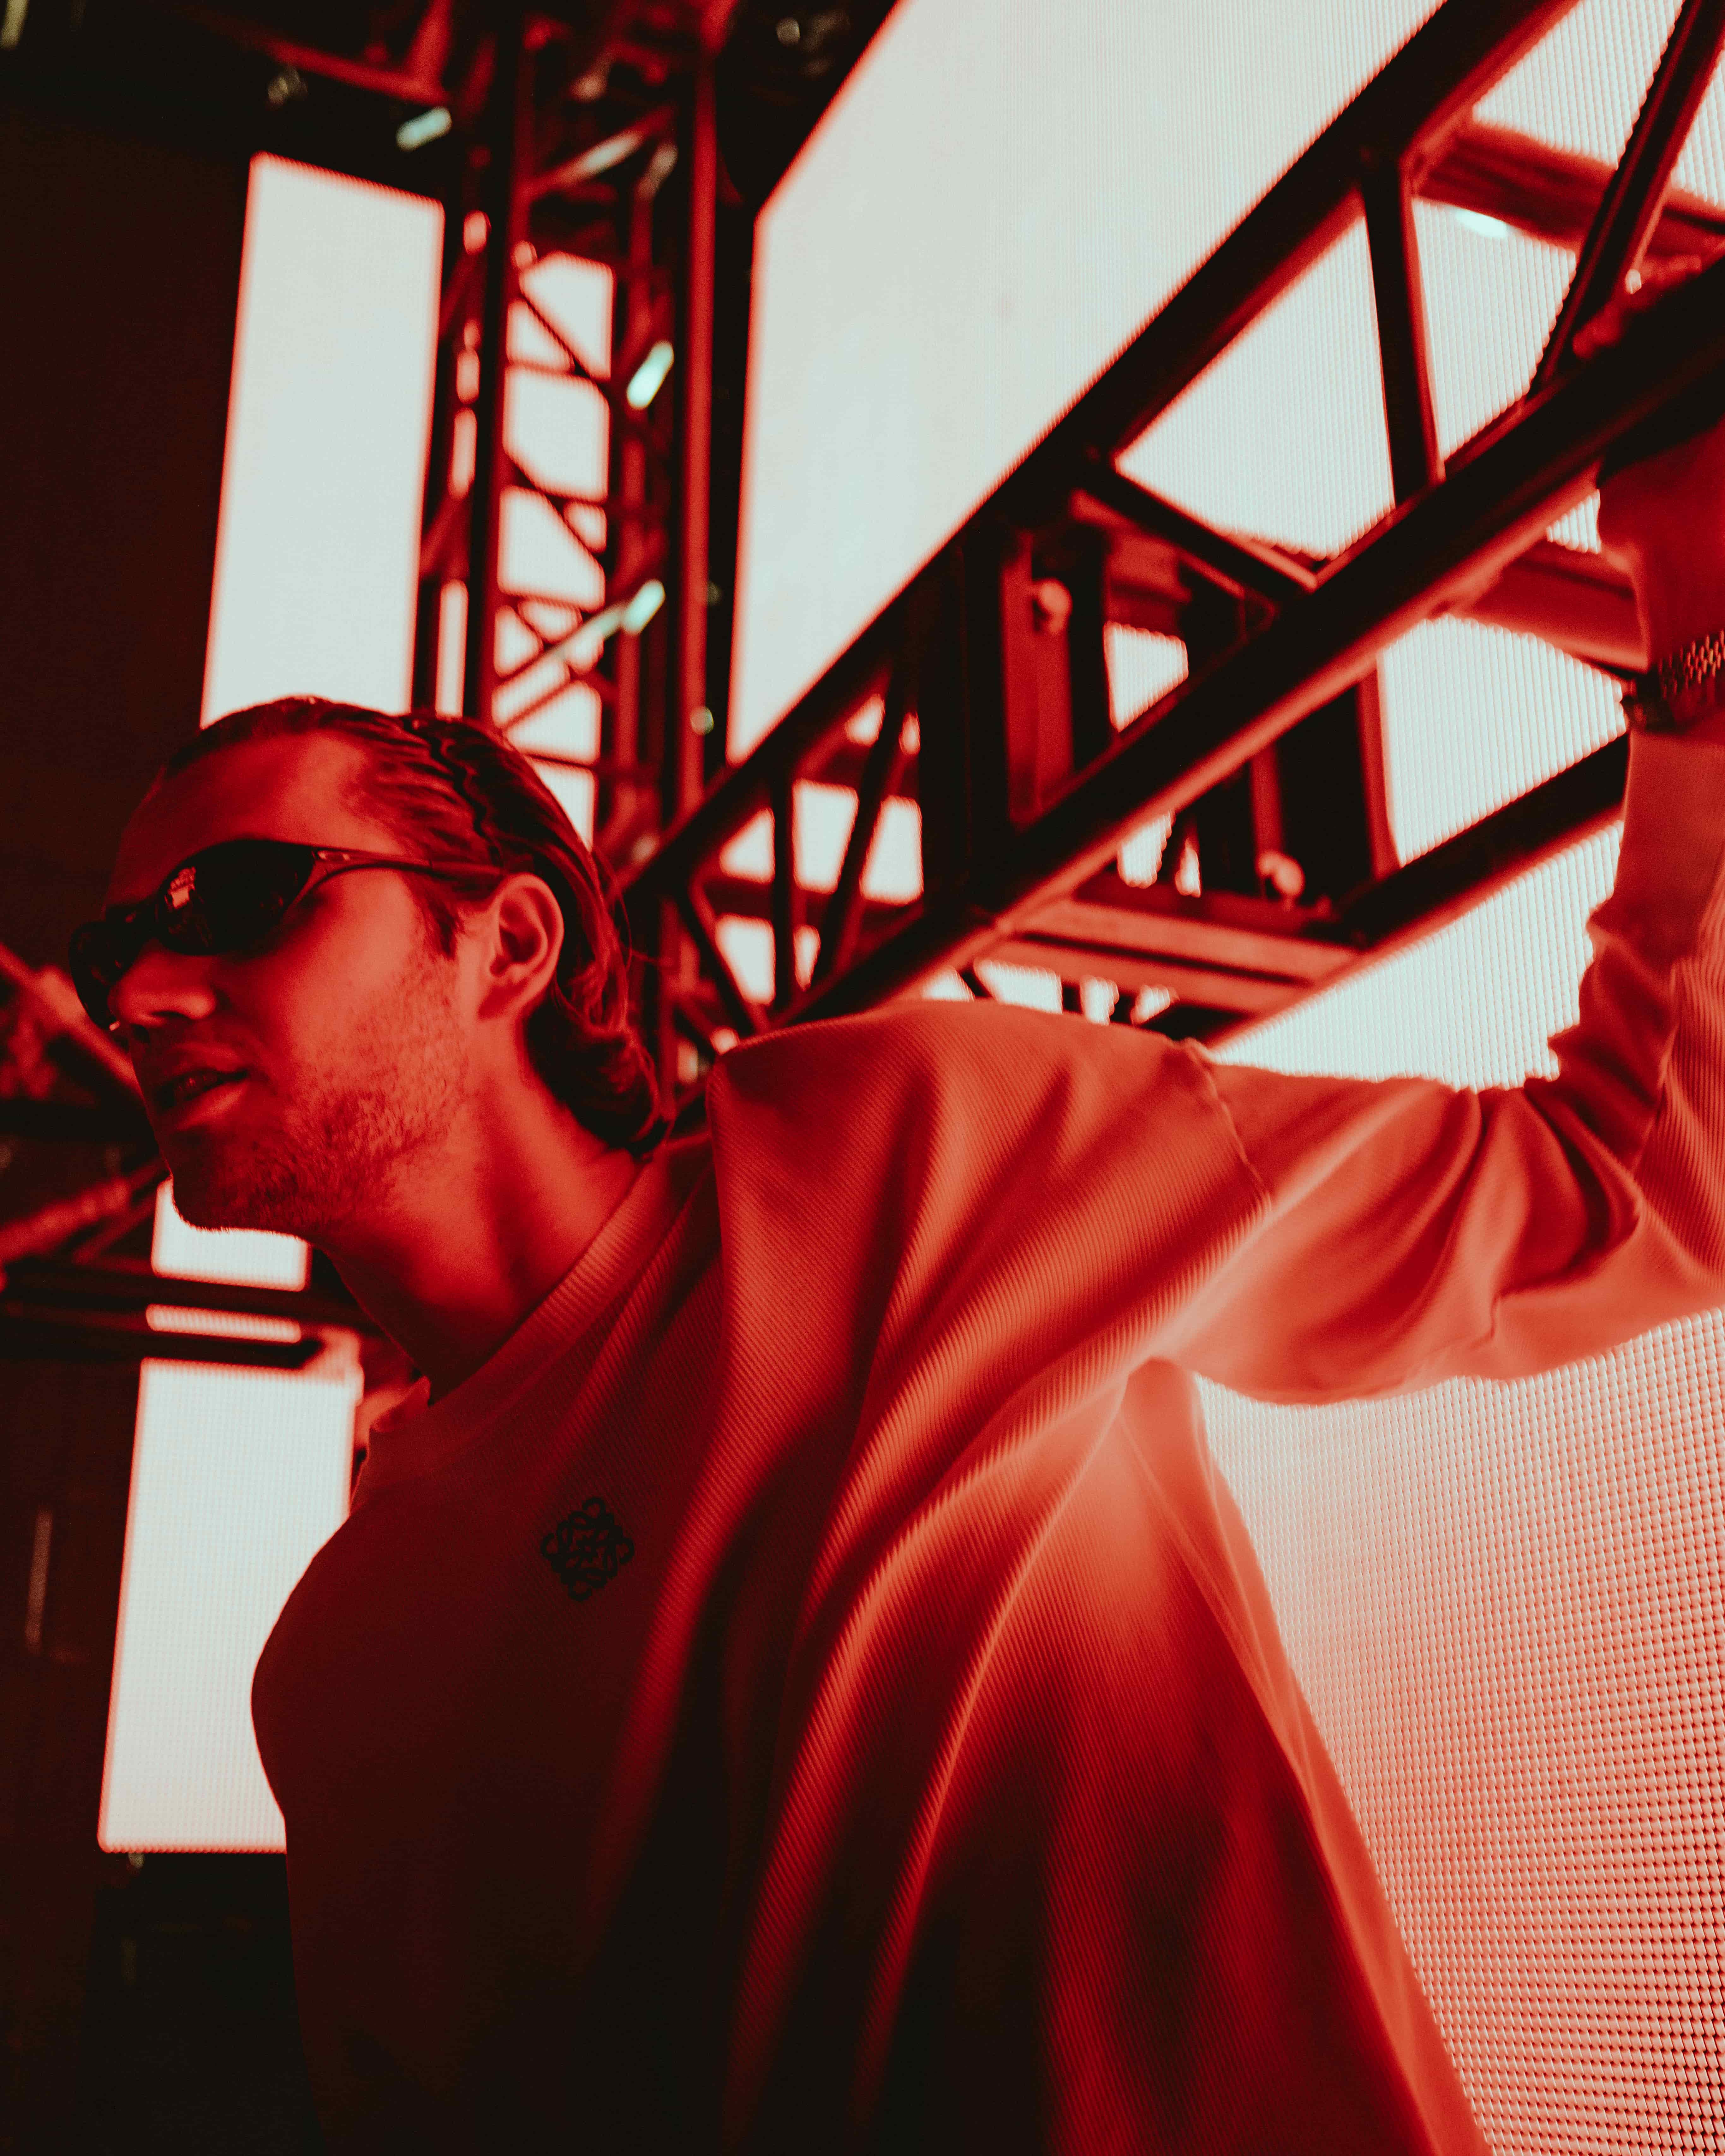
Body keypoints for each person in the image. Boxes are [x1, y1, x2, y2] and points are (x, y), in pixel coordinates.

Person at [77, 276, 1725, 2152]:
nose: (141, 994)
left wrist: (1695, 616)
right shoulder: (341, 1662)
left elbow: (1633, 1195)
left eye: (238, 900)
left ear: (508, 939)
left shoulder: (903, 1154)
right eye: (120, 943)